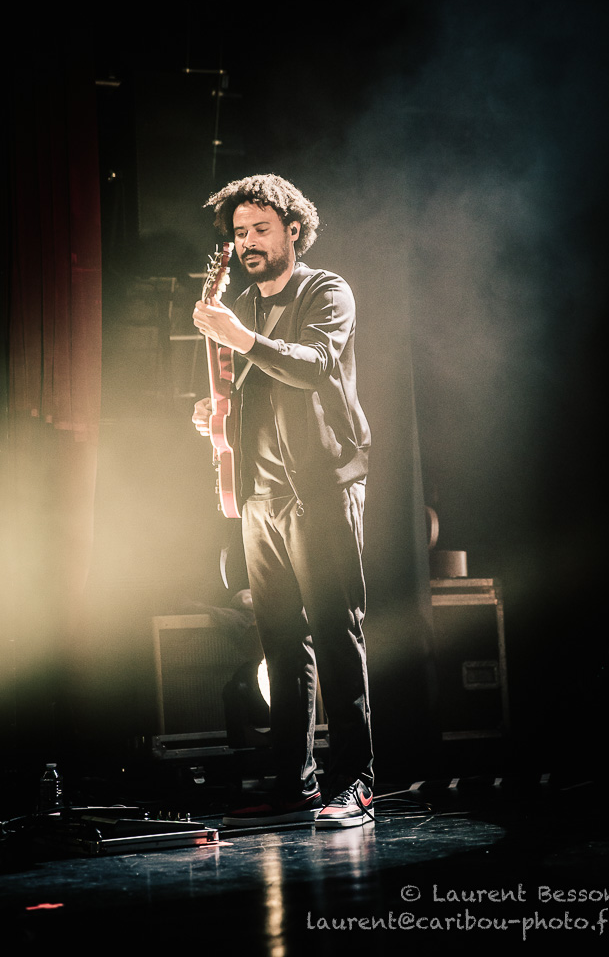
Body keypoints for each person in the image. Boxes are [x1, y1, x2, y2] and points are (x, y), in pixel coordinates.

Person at [191, 174, 373, 828]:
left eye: (261, 229)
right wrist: (213, 413)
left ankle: (356, 783)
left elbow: (312, 364)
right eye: (240, 232)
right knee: (280, 643)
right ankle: (294, 785)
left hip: (321, 486)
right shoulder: (242, 302)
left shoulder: (326, 291)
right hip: (260, 496)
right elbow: (249, 388)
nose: (248, 242)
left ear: (294, 230)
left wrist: (239, 337)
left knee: (336, 632)